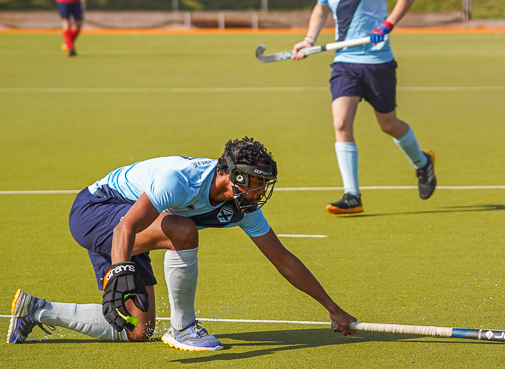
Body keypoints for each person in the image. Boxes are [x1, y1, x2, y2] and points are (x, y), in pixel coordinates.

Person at [7, 137, 356, 351]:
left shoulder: (241, 206)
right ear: (232, 176)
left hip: (129, 228)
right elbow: (127, 225)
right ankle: (184, 328)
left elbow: (282, 259)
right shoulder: (180, 180)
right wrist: (119, 272)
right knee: (184, 229)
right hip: (95, 211)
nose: (261, 192)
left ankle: (35, 309)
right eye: (256, 183)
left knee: (137, 330)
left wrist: (331, 307)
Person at [292, 0, 435, 215]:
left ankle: (423, 163)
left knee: (388, 124)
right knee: (341, 123)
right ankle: (352, 195)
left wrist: (387, 25)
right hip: (345, 62)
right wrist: (308, 40)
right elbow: (321, 9)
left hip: (377, 62)